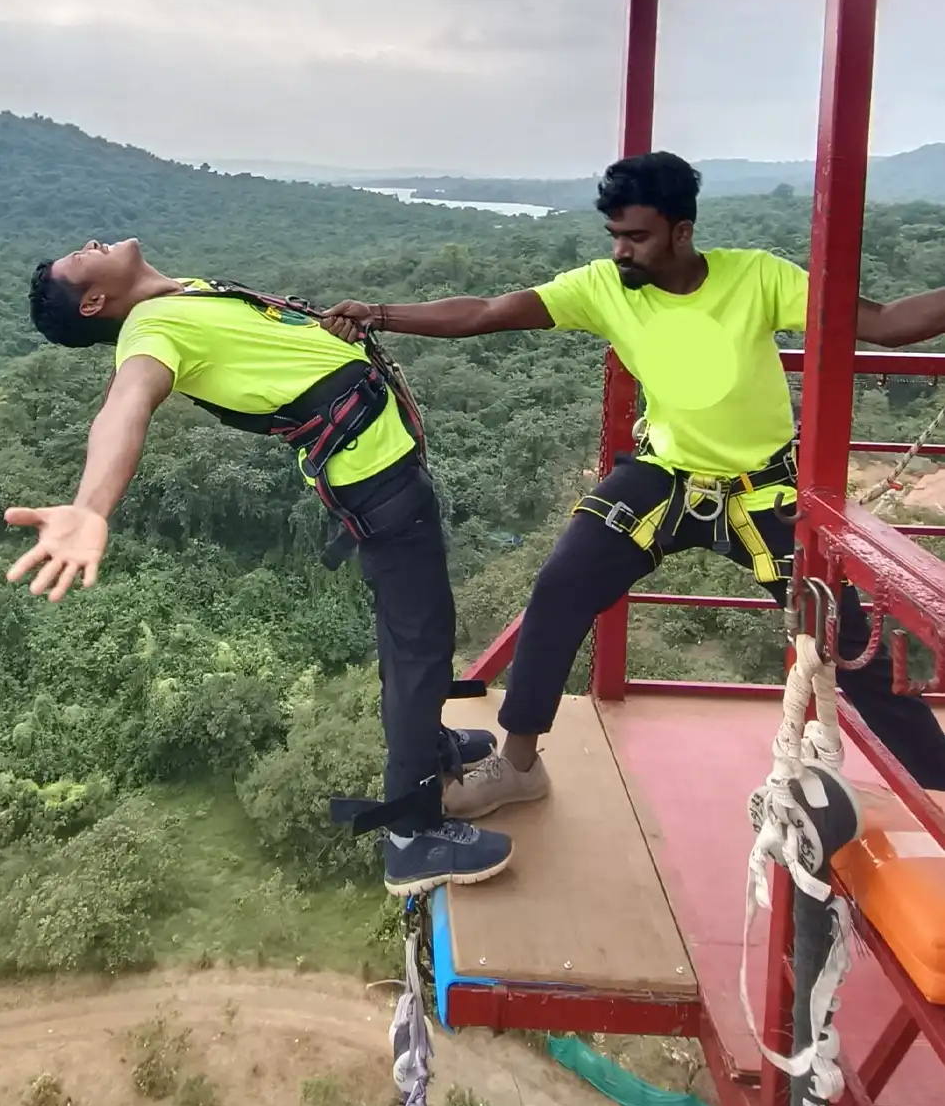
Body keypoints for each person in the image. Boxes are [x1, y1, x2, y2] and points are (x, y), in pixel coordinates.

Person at [321, 151, 945, 818]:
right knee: (561, 585)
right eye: (615, 235)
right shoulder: (606, 286)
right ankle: (520, 765)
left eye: (637, 237)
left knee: (850, 642)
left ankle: (937, 784)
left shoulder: (757, 278)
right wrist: (381, 314)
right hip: (663, 476)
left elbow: (881, 323)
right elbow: (490, 310)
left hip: (761, 487)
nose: (621, 250)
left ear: (682, 231)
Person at [3, 238, 512, 894]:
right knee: (421, 643)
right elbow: (124, 406)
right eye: (78, 259)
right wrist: (90, 506)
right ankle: (414, 838)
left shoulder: (180, 291)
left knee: (409, 634)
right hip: (375, 481)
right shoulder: (150, 332)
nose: (88, 244)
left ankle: (431, 745)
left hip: (380, 463)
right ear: (96, 300)